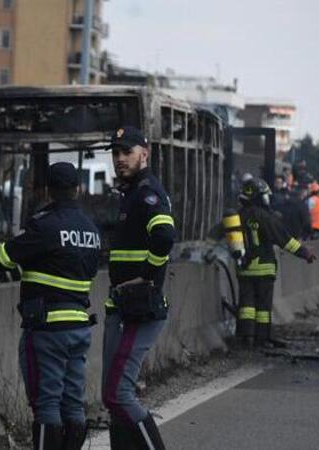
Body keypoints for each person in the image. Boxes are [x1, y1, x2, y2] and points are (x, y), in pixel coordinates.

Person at [0, 162, 101, 449]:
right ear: (77, 189)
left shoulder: (44, 225)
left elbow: (4, 258)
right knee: (73, 404)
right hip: (79, 326)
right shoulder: (91, 230)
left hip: (46, 329)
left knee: (46, 405)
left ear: (48, 191)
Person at [102, 126, 174, 449]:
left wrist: (146, 275)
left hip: (138, 308)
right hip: (121, 306)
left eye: (126, 152)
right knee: (114, 398)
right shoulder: (129, 192)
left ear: (144, 153)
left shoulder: (147, 192)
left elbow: (164, 236)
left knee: (117, 394)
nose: (119, 159)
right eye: (115, 153)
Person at [233, 178, 316, 348]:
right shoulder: (265, 217)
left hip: (244, 269)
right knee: (263, 307)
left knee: (246, 305)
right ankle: (262, 338)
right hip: (264, 268)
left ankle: (246, 336)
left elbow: (220, 234)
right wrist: (304, 253)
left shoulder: (237, 216)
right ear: (260, 197)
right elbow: (284, 240)